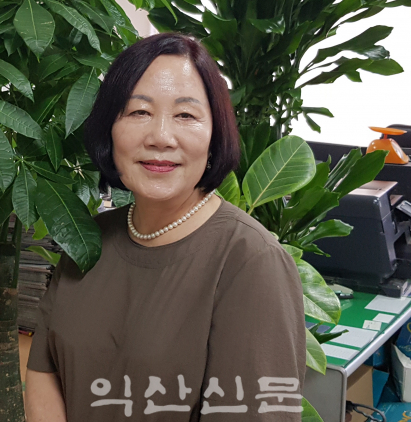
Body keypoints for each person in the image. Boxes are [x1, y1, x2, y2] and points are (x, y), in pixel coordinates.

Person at [25, 32, 306, 422]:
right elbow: (44, 371)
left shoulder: (251, 262)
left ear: (215, 135)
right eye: (139, 112)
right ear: (109, 129)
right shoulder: (87, 239)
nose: (160, 137)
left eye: (185, 115)